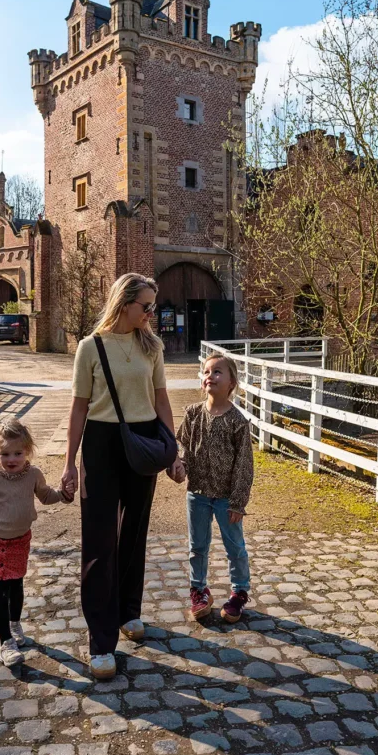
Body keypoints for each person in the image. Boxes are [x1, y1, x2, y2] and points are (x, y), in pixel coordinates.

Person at [62, 273, 174, 680]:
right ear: (123, 303)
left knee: (134, 532)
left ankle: (129, 611)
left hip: (143, 440)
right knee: (99, 541)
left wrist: (172, 449)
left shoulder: (152, 347)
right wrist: (69, 461)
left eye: (152, 307)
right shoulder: (90, 347)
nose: (150, 313)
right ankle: (100, 640)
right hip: (102, 443)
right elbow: (78, 408)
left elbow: (161, 397)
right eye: (145, 306)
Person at [0, 415, 74, 666]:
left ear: (27, 452)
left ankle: (14, 625)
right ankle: (5, 642)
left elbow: (46, 496)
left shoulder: (33, 474)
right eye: (5, 454)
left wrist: (64, 495)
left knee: (16, 585)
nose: (11, 459)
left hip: (19, 540)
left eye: (17, 453)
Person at [169, 353, 253, 623]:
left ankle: (239, 592)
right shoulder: (193, 414)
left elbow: (244, 466)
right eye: (206, 372)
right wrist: (179, 467)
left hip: (227, 498)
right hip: (198, 494)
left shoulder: (238, 422)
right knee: (198, 546)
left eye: (218, 372)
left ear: (231, 382)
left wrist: (238, 501)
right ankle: (198, 590)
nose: (210, 376)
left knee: (234, 547)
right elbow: (183, 449)